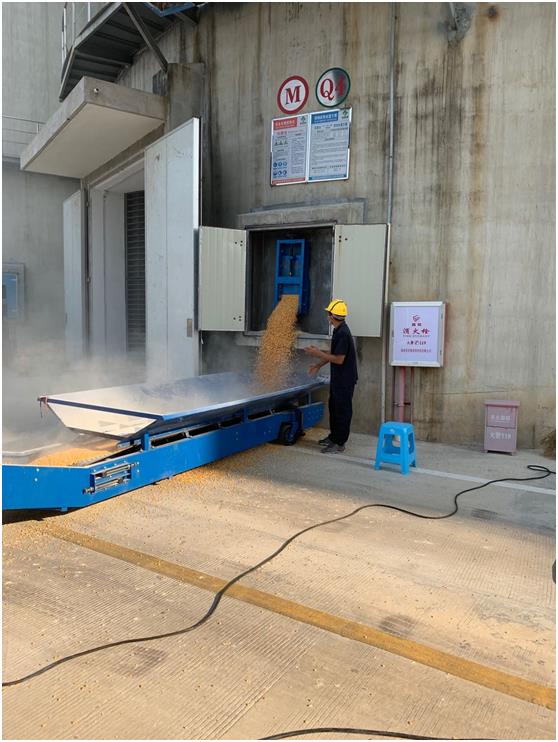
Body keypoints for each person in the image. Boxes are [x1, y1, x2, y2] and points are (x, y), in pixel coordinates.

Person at [304, 299, 358, 454]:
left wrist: (317, 353)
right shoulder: (338, 330)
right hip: (339, 379)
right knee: (334, 408)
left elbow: (339, 359)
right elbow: (333, 353)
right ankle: (334, 437)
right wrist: (318, 365)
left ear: (332, 316)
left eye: (328, 313)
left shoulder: (343, 333)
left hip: (345, 380)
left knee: (342, 411)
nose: (327, 316)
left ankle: (339, 443)